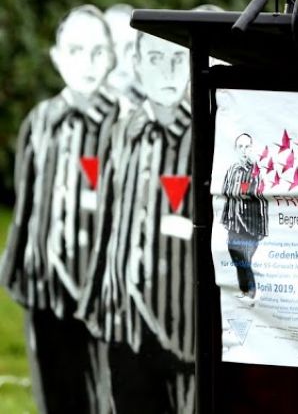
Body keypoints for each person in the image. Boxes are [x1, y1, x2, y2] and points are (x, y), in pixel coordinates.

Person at [0, 5, 118, 413]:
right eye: (76, 50)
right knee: (53, 387)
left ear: (111, 58)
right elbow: (26, 203)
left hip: (96, 287)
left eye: (98, 52)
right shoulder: (40, 122)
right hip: (44, 283)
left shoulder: (120, 125)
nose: (87, 63)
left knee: (99, 389)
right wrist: (15, 265)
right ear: (56, 57)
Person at [80, 31, 195, 414]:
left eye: (178, 60)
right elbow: (108, 222)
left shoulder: (205, 135)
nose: (168, 71)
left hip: (181, 322)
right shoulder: (122, 133)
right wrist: (95, 298)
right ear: (137, 66)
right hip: (122, 318)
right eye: (156, 60)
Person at [220, 132, 269, 304]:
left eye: (247, 146)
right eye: (240, 147)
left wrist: (262, 228)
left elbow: (261, 200)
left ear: (251, 148)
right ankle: (245, 291)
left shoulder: (254, 172)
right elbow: (226, 195)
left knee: (246, 261)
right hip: (233, 226)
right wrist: (226, 220)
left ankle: (252, 293)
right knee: (238, 260)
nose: (243, 150)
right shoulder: (231, 171)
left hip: (249, 227)